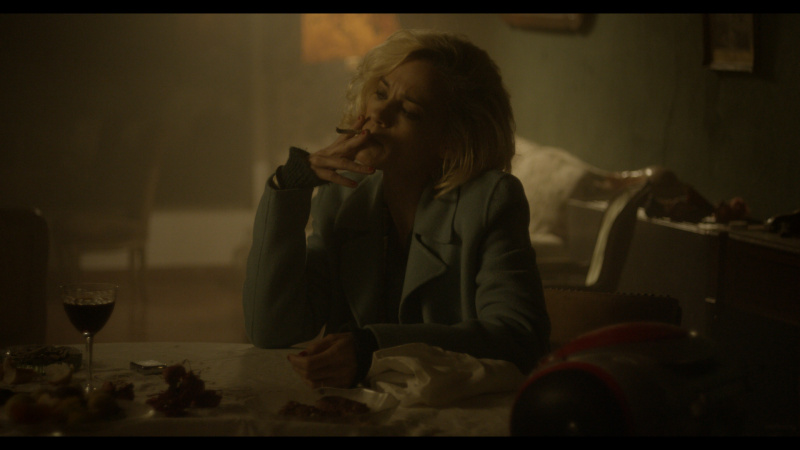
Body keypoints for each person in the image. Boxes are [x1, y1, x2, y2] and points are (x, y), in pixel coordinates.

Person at [242, 29, 550, 389]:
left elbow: (517, 338)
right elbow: (272, 330)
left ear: (451, 141)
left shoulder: (489, 200)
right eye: (380, 93)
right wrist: (291, 184)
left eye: (408, 111)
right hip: (356, 409)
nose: (379, 113)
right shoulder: (344, 195)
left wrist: (374, 346)